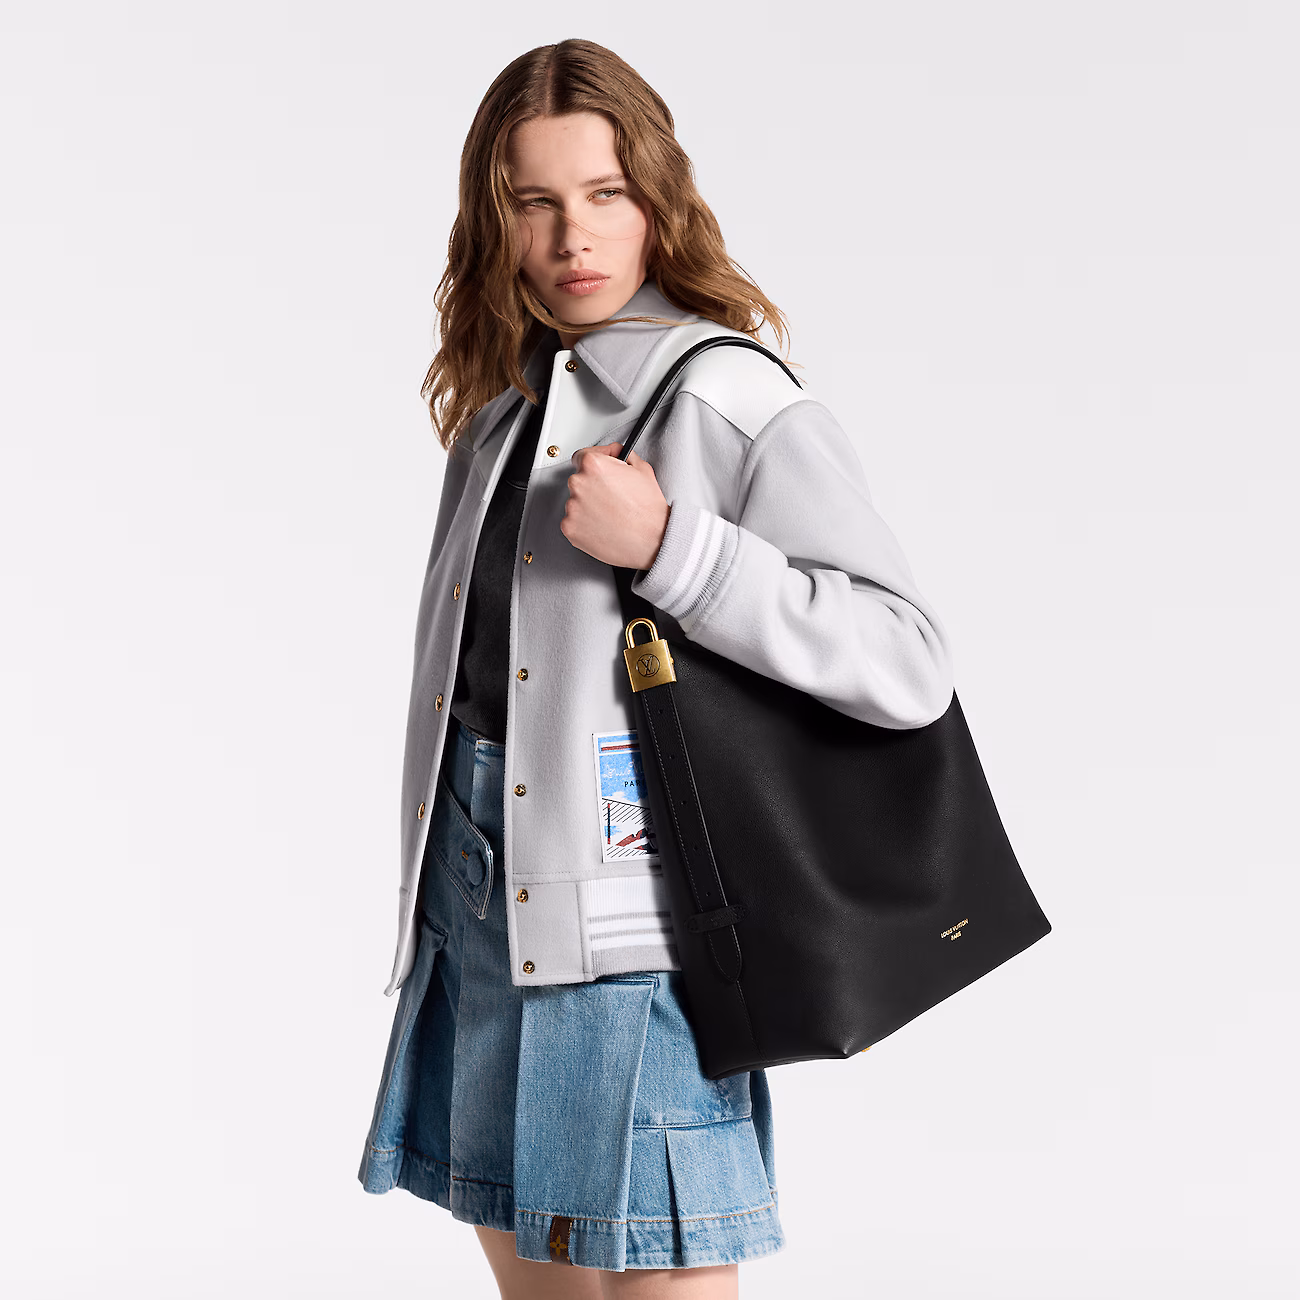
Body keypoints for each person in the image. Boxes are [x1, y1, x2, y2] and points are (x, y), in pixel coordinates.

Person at [357, 37, 954, 1299]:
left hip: (640, 926)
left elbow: (906, 661)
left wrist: (676, 547)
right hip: (476, 902)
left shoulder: (726, 397)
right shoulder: (499, 416)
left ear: (657, 198)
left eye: (606, 194)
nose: (572, 236)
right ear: (494, 220)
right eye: (536, 201)